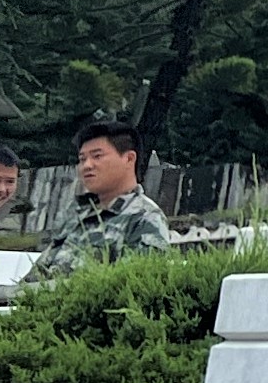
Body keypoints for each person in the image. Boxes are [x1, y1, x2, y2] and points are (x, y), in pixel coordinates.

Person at [34, 117, 172, 278]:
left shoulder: (144, 219)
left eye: (97, 156)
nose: (87, 165)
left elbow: (136, 285)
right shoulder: (78, 214)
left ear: (129, 158)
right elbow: (33, 280)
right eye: (82, 159)